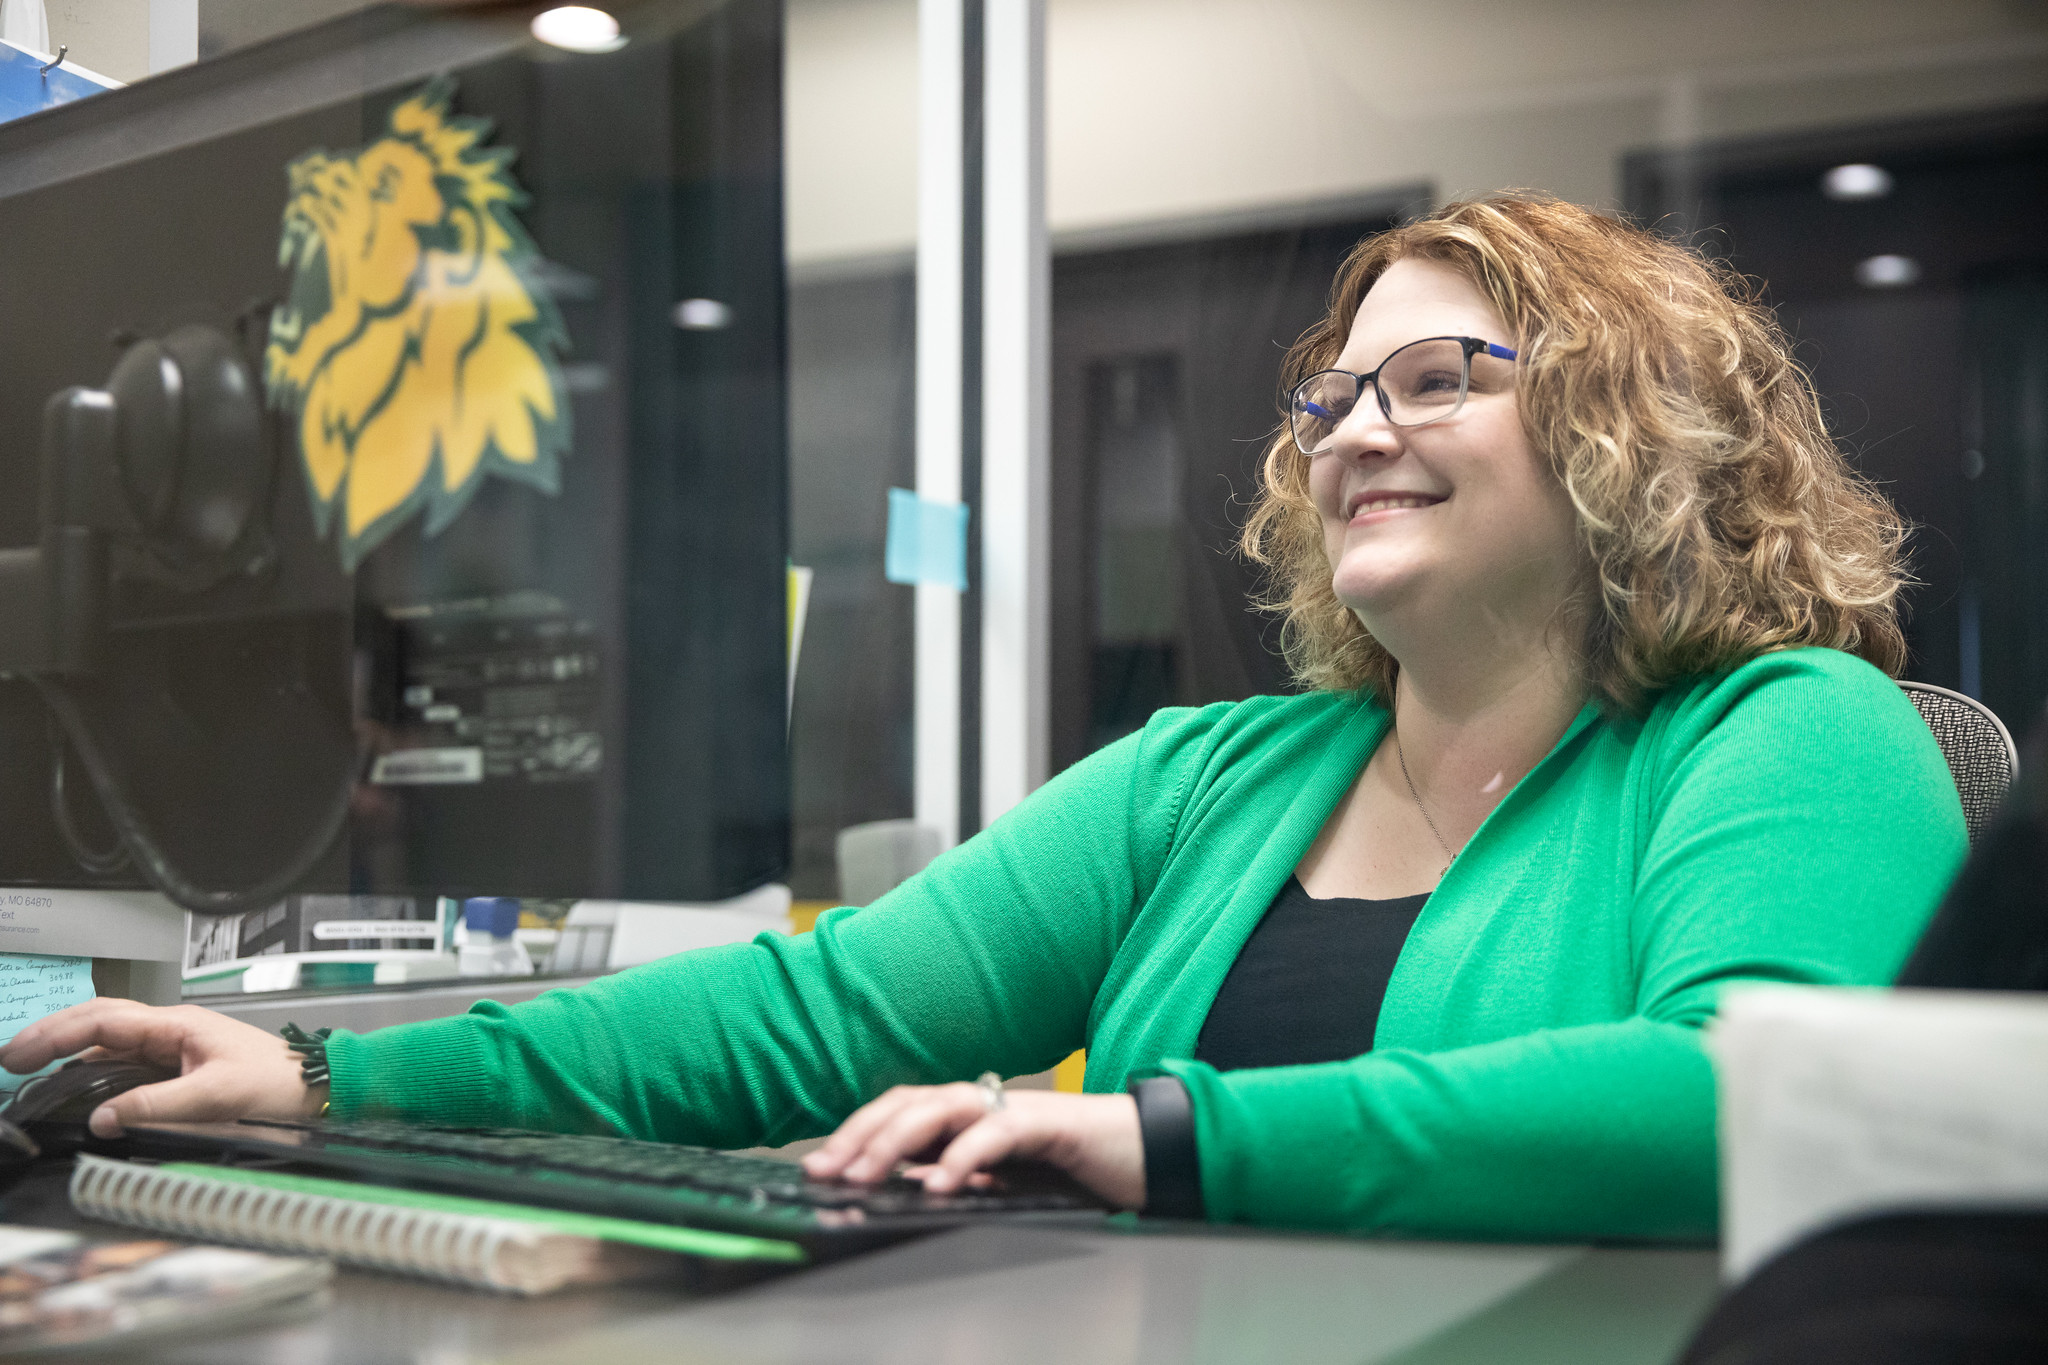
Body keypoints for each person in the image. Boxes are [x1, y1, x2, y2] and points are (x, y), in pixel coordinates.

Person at [0, 192, 1964, 1239]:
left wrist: (1152, 1134)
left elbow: (1739, 1094)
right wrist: (332, 1080)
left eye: (1440, 373)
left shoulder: (1791, 729)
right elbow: (818, 1013)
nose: (1357, 424)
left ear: (1627, 427)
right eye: (1333, 393)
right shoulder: (1220, 772)